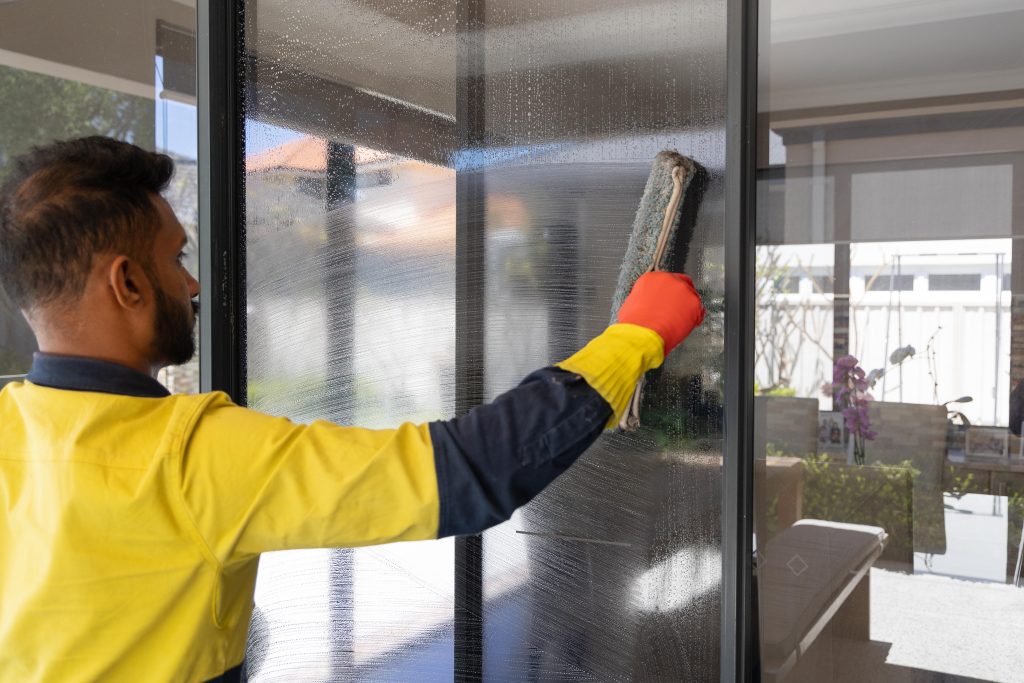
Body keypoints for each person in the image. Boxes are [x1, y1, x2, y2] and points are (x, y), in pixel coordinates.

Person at [0, 137, 705, 683]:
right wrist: (633, 339)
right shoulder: (191, 456)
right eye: (175, 257)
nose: (191, 282)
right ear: (125, 282)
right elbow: (461, 474)